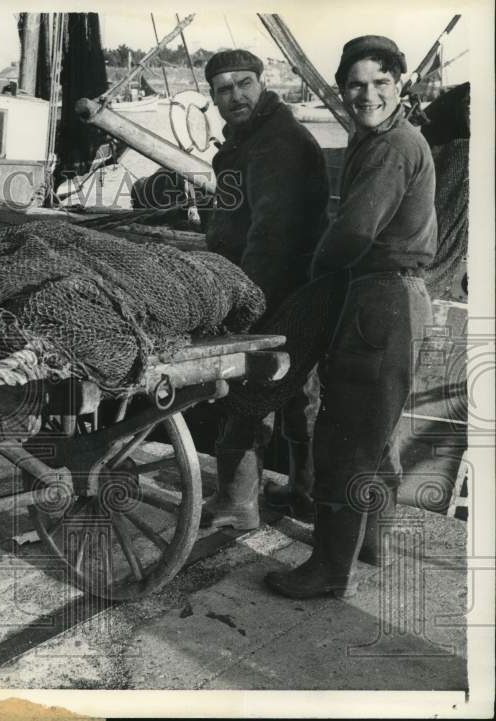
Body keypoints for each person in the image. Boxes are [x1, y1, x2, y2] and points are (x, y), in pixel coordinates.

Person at [266, 36, 436, 598]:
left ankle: (327, 571)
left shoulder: (391, 147)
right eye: (356, 85)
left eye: (379, 84)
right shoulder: (382, 139)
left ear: (399, 85)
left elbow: (355, 233)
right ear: (342, 90)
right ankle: (369, 544)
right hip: (395, 298)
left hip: (379, 300)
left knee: (343, 437)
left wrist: (312, 275)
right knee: (375, 433)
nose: (367, 95)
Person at [198, 49, 330, 530]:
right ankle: (304, 493)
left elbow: (271, 236)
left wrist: (247, 308)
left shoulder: (275, 143)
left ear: (263, 83)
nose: (236, 95)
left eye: (244, 83)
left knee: (247, 391)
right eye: (224, 88)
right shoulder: (256, 138)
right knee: (296, 395)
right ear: (213, 97)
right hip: (297, 288)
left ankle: (237, 503)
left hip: (278, 289)